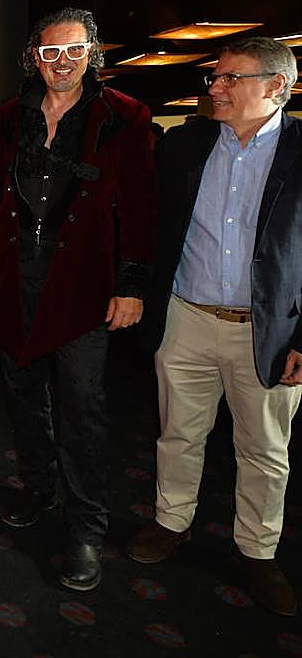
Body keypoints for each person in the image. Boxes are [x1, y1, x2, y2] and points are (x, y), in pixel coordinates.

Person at [0, 7, 155, 591]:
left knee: (82, 413)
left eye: (75, 51)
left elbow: (142, 209)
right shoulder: (8, 117)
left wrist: (130, 284)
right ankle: (41, 492)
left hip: (81, 292)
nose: (63, 63)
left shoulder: (124, 117)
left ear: (93, 53)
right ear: (34, 57)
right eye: (50, 52)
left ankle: (86, 530)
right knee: (24, 401)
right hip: (13, 284)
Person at [129, 37, 302, 616]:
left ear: (277, 86)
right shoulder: (187, 144)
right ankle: (171, 522)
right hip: (186, 318)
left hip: (270, 330)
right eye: (215, 78)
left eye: (230, 78)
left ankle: (257, 552)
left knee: (263, 450)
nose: (215, 88)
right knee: (178, 433)